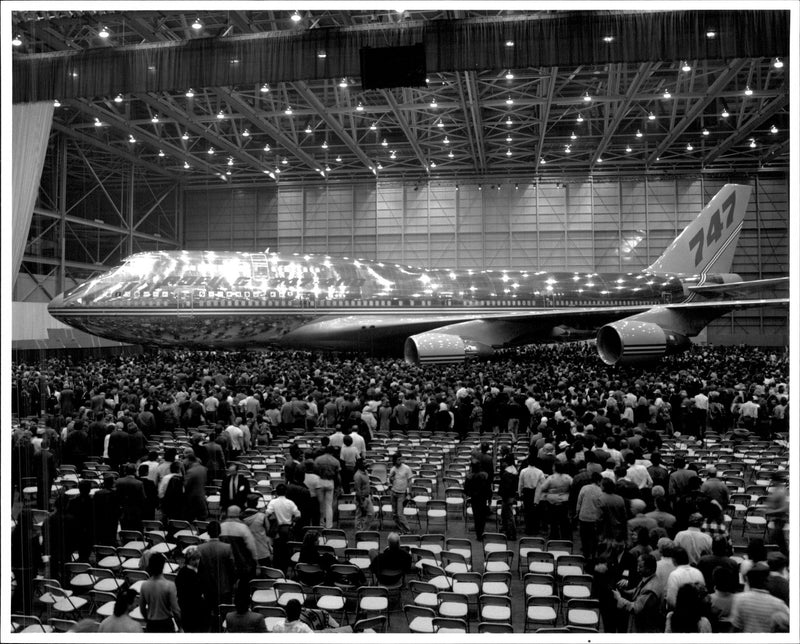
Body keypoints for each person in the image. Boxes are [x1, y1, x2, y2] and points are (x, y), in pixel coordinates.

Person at [729, 562, 791, 632]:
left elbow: (735, 628)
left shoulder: (739, 599)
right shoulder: (779, 604)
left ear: (748, 581)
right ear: (767, 580)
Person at [197, 521, 236, 631]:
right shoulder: (227, 548)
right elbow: (232, 568)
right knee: (225, 614)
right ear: (219, 532)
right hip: (224, 586)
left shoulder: (200, 548)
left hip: (208, 587)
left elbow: (199, 570)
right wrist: (232, 583)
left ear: (208, 533)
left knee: (210, 612)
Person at [613, 553, 665, 633]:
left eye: (640, 567)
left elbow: (636, 608)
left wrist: (619, 598)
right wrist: (625, 592)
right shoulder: (650, 578)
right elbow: (638, 591)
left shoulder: (650, 589)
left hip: (646, 630)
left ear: (649, 569)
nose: (637, 570)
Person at [140, 552, 182, 633]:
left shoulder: (144, 585)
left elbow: (142, 609)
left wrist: (148, 620)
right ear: (163, 566)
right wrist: (180, 626)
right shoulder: (170, 585)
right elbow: (176, 610)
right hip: (165, 623)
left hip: (151, 624)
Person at [265, 483, 300, 572]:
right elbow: (298, 515)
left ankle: (277, 570)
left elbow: (267, 514)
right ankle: (285, 569)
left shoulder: (273, 502)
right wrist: (292, 522)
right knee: (286, 550)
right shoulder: (290, 503)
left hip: (277, 530)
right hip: (288, 529)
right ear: (286, 492)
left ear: (276, 492)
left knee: (277, 550)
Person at [175, 546, 208, 633]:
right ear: (189, 560)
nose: (197, 561)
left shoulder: (198, 571)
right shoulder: (185, 574)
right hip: (190, 609)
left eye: (198, 558)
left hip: (196, 609)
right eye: (194, 559)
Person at [464, 460, 491, 540]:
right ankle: (481, 531)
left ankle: (478, 534)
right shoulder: (485, 476)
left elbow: (466, 490)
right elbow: (488, 488)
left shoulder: (469, 477)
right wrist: (489, 498)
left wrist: (471, 494)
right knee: (482, 516)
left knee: (476, 516)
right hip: (483, 498)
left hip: (474, 499)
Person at [387, 452, 413, 534]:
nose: (400, 461)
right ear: (394, 460)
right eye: (398, 459)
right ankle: (401, 529)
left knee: (400, 514)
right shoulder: (393, 469)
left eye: (400, 459)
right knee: (394, 514)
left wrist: (409, 493)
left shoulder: (406, 468)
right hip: (393, 492)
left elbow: (410, 482)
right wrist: (391, 478)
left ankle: (407, 530)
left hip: (402, 494)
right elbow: (390, 482)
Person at [498, 452, 519, 540]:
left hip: (507, 496)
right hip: (511, 495)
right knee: (505, 513)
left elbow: (504, 487)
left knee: (509, 515)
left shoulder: (507, 473)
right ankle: (505, 528)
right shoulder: (514, 470)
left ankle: (512, 534)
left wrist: (502, 494)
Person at [353, 458, 375, 531]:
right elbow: (358, 490)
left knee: (371, 514)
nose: (366, 464)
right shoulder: (357, 475)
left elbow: (367, 484)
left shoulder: (365, 472)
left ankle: (364, 531)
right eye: (364, 463)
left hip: (367, 497)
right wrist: (361, 503)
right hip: (361, 499)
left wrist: (371, 494)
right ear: (360, 465)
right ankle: (358, 533)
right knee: (359, 517)